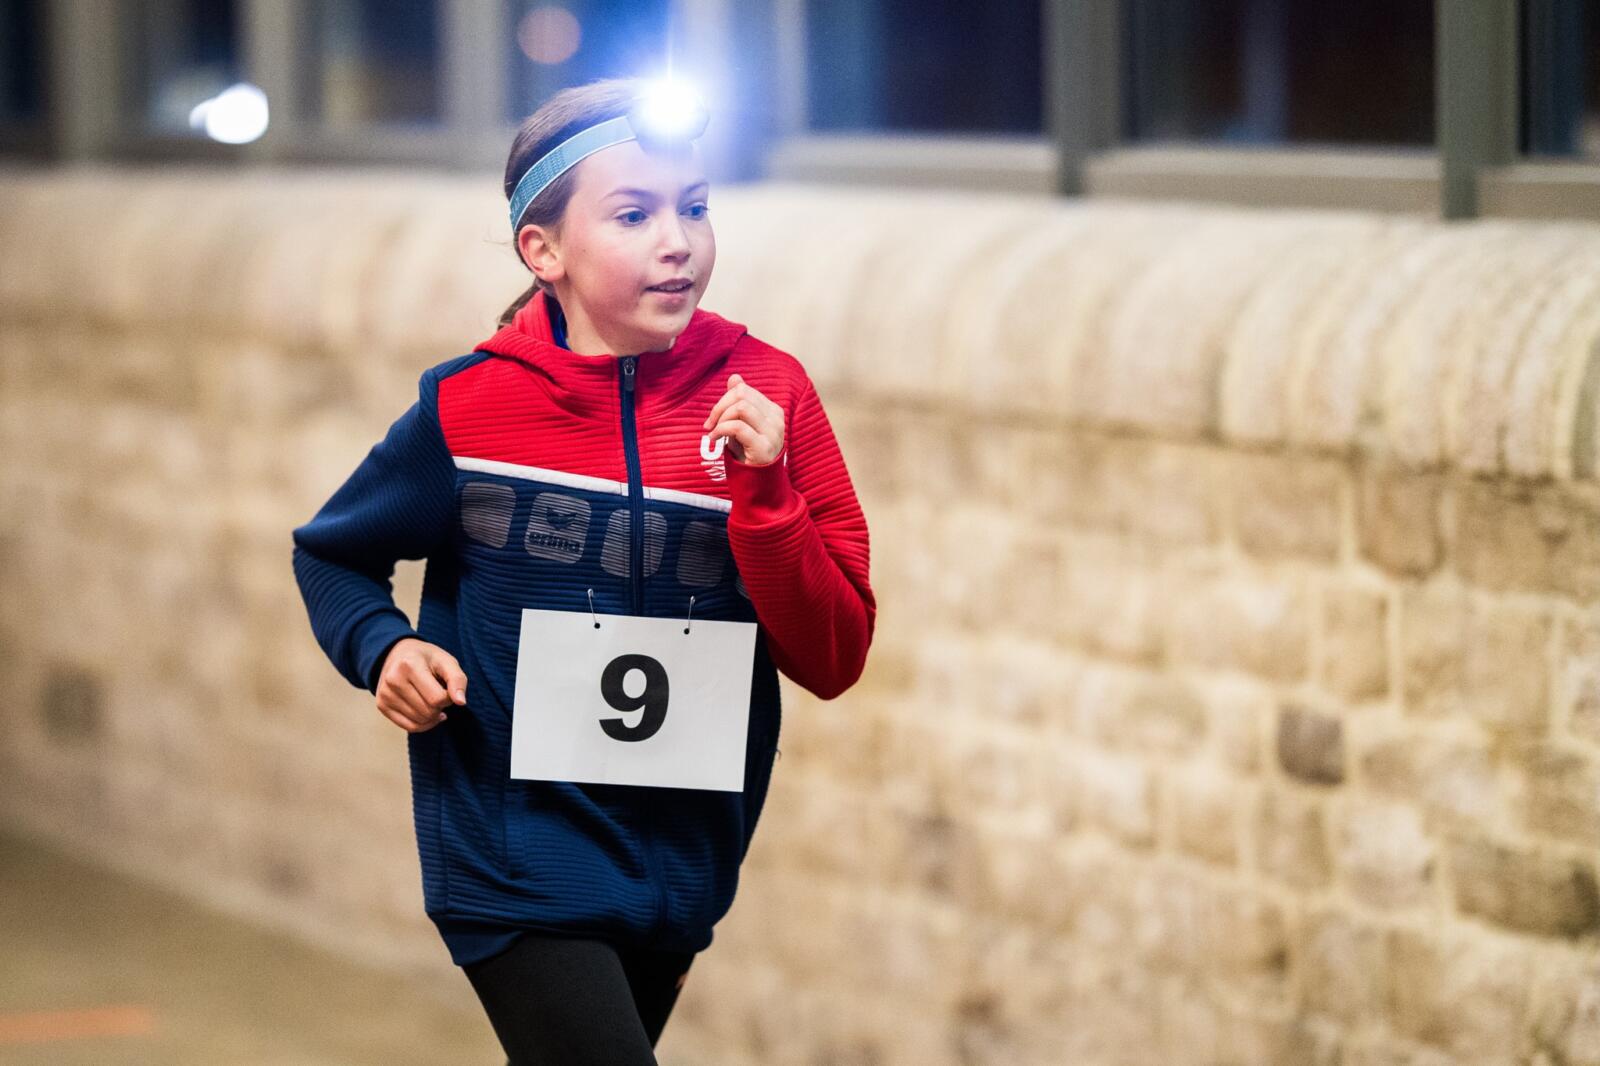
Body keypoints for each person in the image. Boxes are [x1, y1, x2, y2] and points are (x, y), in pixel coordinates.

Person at [290, 74, 876, 1065]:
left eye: (695, 207)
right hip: (512, 855)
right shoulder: (468, 407)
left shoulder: (770, 393)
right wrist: (382, 648)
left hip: (683, 869)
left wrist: (765, 494)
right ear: (543, 250)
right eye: (634, 214)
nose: (677, 241)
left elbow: (832, 657)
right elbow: (333, 554)